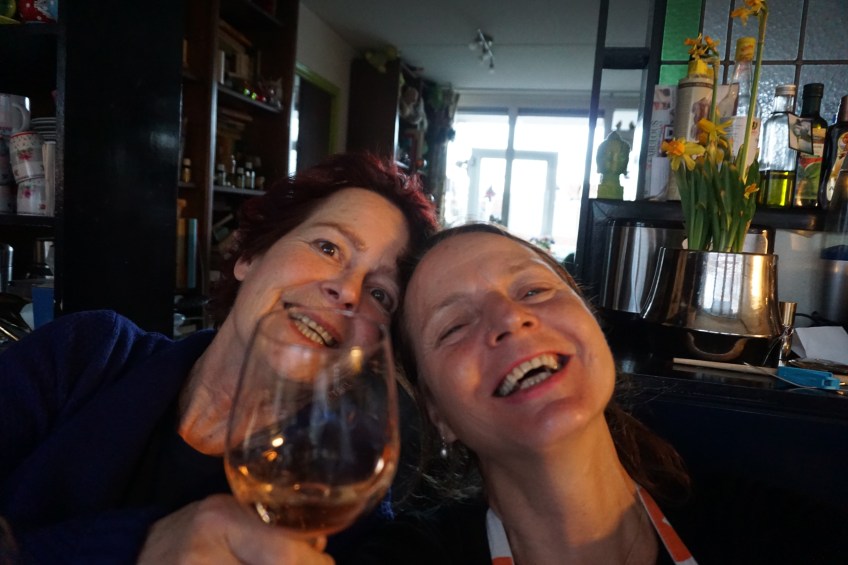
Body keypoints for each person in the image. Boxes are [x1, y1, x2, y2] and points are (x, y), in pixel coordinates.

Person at [0, 152, 438, 564]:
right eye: (328, 247)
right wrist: (139, 546)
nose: (347, 292)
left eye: (380, 293)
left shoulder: (347, 497)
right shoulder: (84, 354)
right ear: (249, 255)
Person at [347, 223, 848, 565]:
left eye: (533, 291)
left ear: (592, 324)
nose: (509, 318)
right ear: (438, 414)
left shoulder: (774, 534)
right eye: (455, 325)